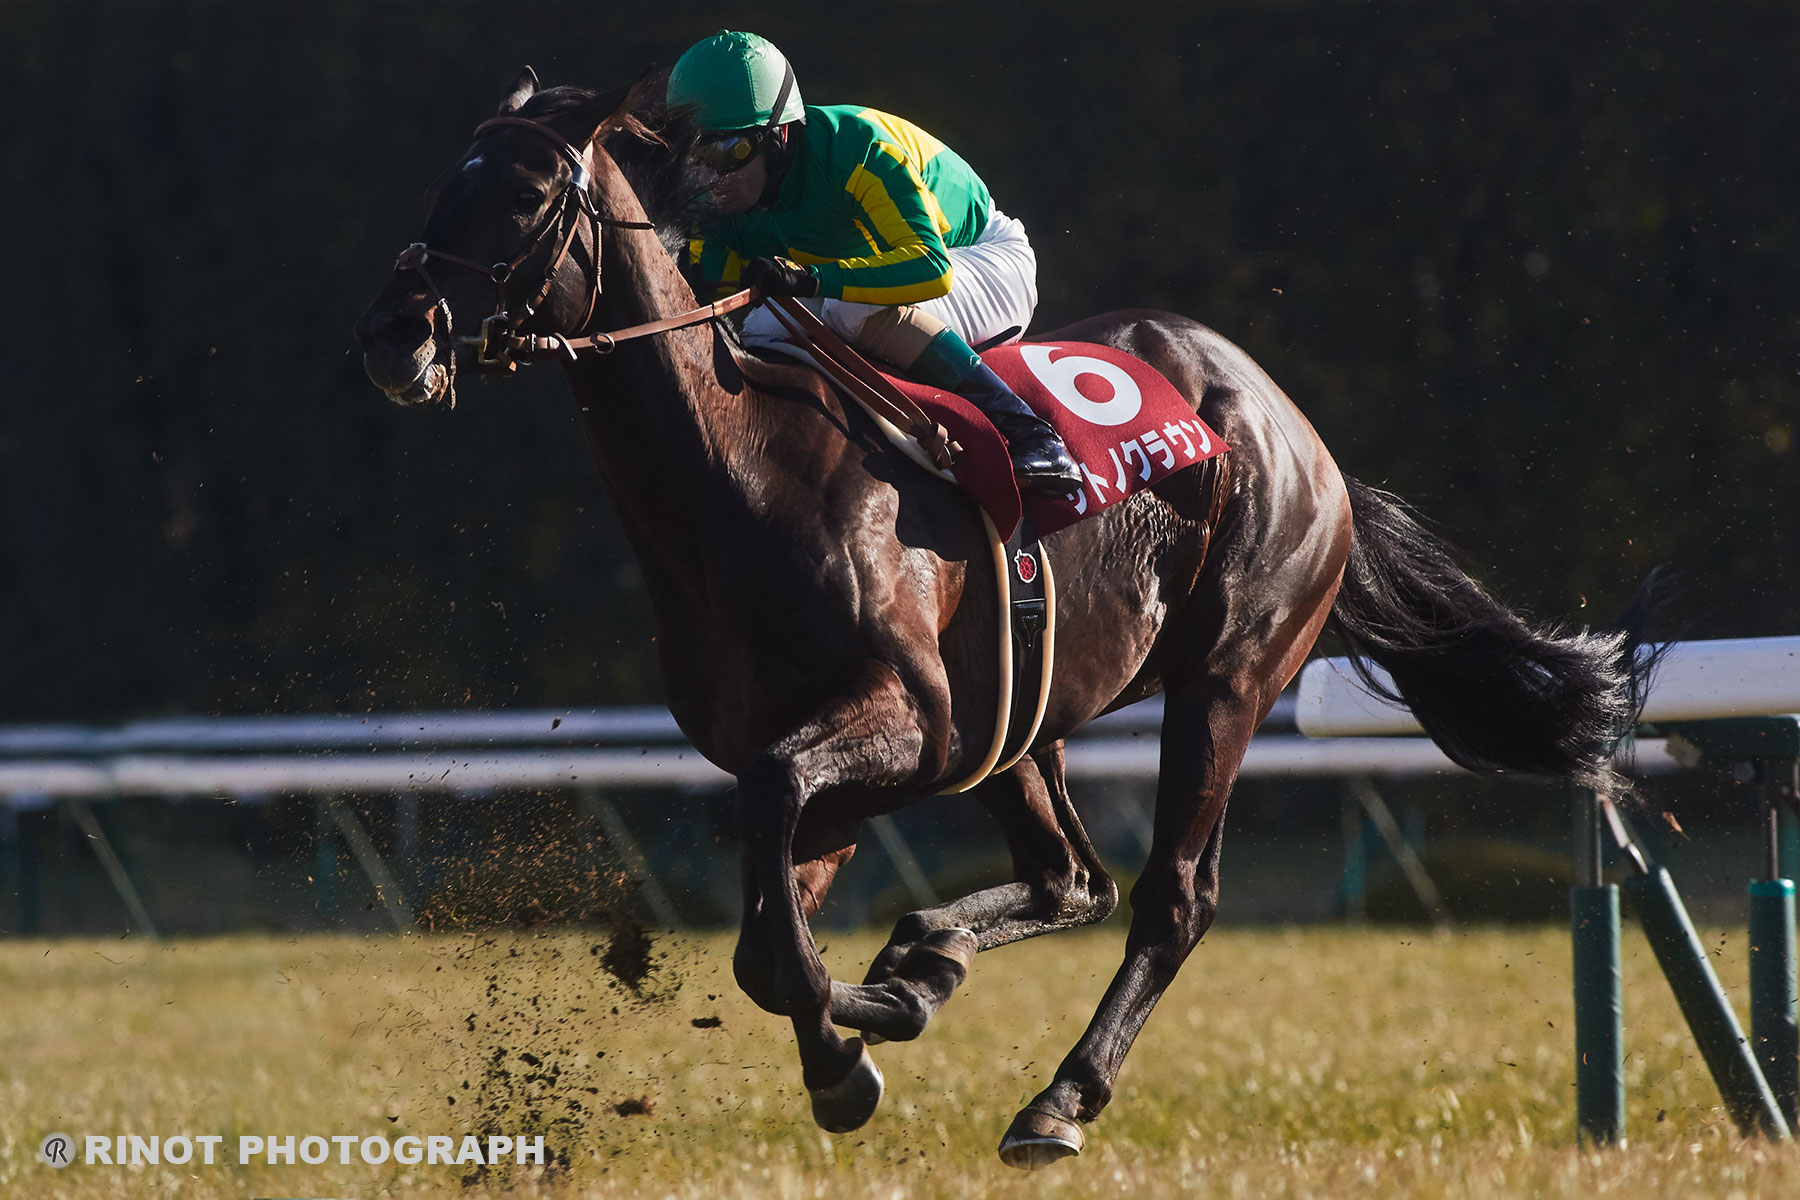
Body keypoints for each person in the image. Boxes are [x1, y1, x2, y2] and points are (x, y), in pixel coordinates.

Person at [668, 30, 1083, 497]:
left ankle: (1030, 433)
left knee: (850, 310)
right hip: (871, 275)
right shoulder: (726, 200)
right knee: (762, 329)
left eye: (730, 152)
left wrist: (810, 278)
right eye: (695, 155)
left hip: (983, 258)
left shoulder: (856, 148)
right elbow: (713, 280)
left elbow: (931, 270)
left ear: (779, 136)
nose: (710, 178)